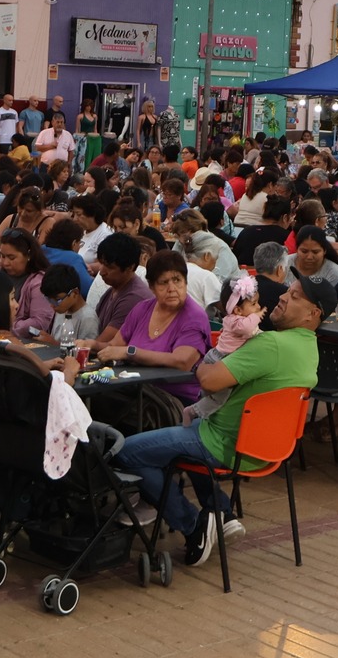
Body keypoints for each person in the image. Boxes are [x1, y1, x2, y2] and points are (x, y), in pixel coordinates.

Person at [114, 282, 322, 564]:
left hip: (223, 443)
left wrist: (201, 364)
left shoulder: (269, 344)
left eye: (294, 296)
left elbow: (209, 382)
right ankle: (222, 513)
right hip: (270, 447)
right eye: (288, 291)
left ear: (313, 314)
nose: (283, 297)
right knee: (183, 438)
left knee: (125, 452)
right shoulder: (310, 347)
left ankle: (193, 526)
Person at [92, 251, 211, 402]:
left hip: (174, 400)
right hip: (135, 390)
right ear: (152, 287)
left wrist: (130, 352)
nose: (172, 288)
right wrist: (91, 345)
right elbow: (114, 347)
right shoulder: (142, 309)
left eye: (177, 280)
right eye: (163, 282)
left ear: (185, 282)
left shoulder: (194, 317)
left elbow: (182, 362)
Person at [88, 233, 150, 340]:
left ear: (130, 267)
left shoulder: (134, 298)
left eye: (110, 267)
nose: (102, 272)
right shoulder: (113, 290)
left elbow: (102, 344)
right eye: (101, 264)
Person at [0, 230, 53, 338]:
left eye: (11, 257)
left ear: (28, 255)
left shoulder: (39, 283)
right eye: (2, 256)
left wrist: (9, 327)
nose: (5, 263)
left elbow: (39, 322)